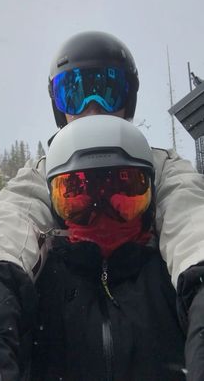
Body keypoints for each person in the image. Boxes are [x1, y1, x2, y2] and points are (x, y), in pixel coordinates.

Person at [0, 31, 203, 379]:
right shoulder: (42, 174)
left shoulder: (159, 167)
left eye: (108, 91)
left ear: (128, 99)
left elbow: (190, 219)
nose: (92, 106)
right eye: (75, 93)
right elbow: (11, 224)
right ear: (59, 105)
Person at [30, 114, 185, 381]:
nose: (101, 214)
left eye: (123, 190)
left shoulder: (172, 280)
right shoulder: (39, 286)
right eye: (78, 198)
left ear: (151, 200)